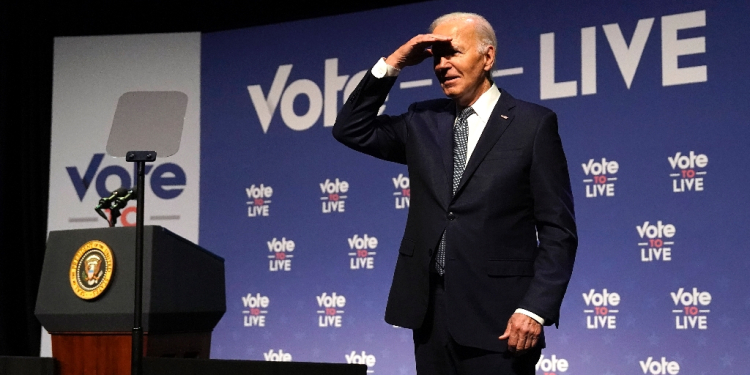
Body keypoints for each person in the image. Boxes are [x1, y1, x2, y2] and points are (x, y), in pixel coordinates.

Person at [332, 12, 577, 375]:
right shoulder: (423, 120)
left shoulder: (533, 124)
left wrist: (535, 309)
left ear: (487, 57)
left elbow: (558, 230)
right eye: (436, 56)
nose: (442, 65)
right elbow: (350, 129)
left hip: (502, 319)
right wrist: (393, 63)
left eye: (454, 53)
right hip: (431, 315)